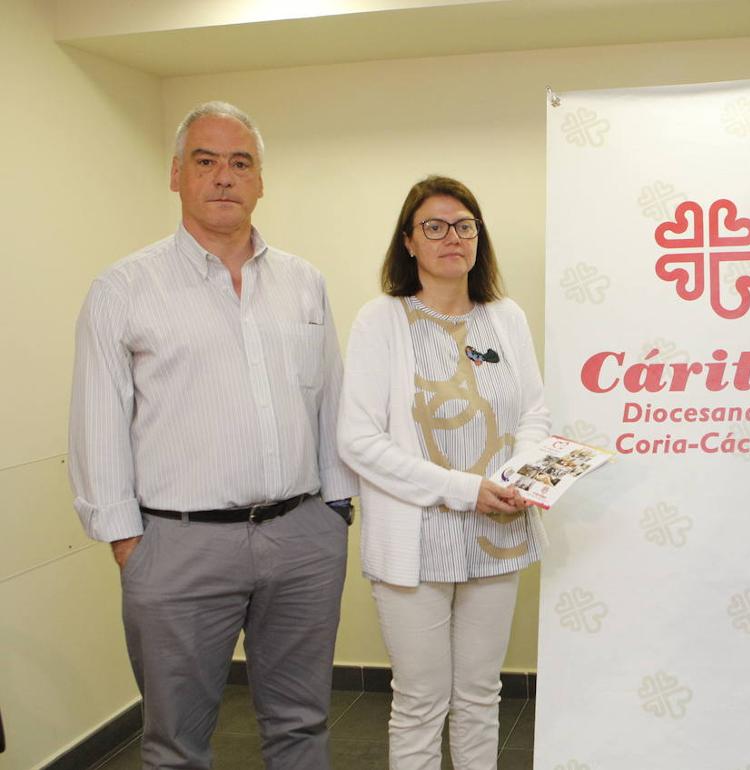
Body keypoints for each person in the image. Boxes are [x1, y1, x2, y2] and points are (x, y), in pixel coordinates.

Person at [68, 101, 357, 769]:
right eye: (205, 161)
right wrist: (128, 544)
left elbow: (330, 397)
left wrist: (335, 510)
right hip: (178, 546)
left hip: (302, 539)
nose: (224, 176)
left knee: (302, 727)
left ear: (261, 181)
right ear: (177, 175)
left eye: (240, 163)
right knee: (176, 744)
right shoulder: (123, 288)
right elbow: (97, 422)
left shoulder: (303, 283)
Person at [337, 175, 549, 769]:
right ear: (408, 241)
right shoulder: (381, 320)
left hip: (497, 534)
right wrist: (464, 490)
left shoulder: (506, 317)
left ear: (478, 237)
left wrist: (524, 474)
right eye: (433, 226)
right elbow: (357, 440)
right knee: (421, 702)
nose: (451, 237)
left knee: (481, 695)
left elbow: (533, 411)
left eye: (463, 225)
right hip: (418, 541)